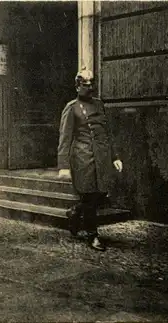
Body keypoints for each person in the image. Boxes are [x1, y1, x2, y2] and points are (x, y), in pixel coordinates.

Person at [57, 69, 123, 251]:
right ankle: (93, 235)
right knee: (88, 195)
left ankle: (75, 212)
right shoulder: (72, 108)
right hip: (82, 158)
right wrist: (63, 166)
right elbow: (65, 138)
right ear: (77, 86)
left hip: (101, 157)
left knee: (99, 194)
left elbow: (107, 134)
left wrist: (114, 157)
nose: (89, 88)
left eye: (91, 84)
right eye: (85, 84)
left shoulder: (99, 105)